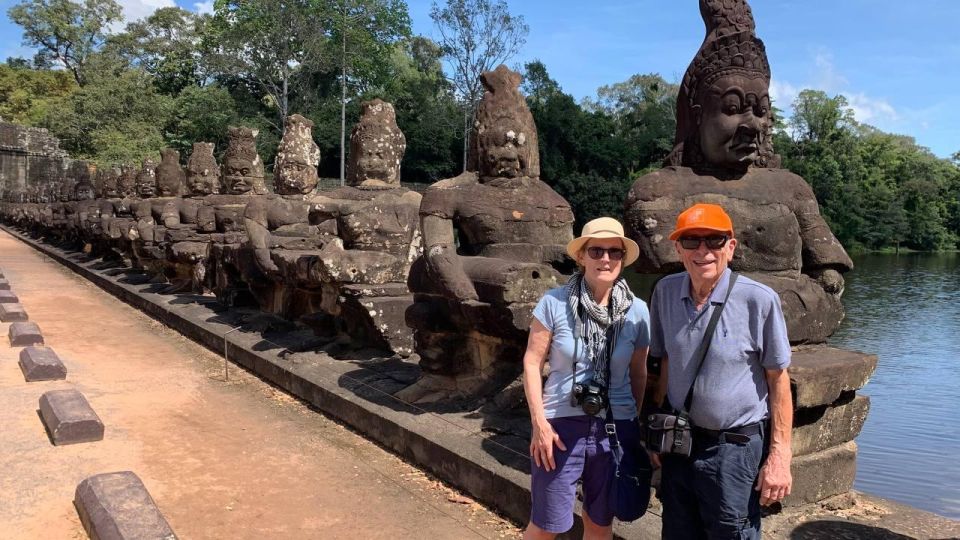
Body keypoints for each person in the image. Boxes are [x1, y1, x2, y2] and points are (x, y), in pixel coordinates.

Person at [649, 203, 793, 539]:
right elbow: (666, 362)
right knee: (677, 529)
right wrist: (658, 428)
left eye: (714, 241)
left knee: (731, 531)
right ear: (677, 248)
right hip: (680, 442)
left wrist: (780, 456)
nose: (703, 251)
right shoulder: (665, 293)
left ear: (731, 246)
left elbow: (778, 380)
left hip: (735, 448)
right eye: (691, 241)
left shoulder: (759, 300)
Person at [522, 217, 651, 539]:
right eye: (596, 251)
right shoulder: (554, 302)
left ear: (622, 258)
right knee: (546, 523)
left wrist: (631, 421)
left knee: (600, 521)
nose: (605, 259)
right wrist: (539, 423)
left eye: (614, 252)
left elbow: (639, 372)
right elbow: (532, 361)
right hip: (559, 424)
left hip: (615, 426)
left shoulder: (637, 311)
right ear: (581, 257)